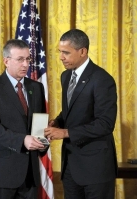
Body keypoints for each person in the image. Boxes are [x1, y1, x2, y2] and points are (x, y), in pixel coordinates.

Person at [44, 29, 117, 199]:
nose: (61, 57)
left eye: (66, 52)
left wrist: (65, 133)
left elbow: (105, 123)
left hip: (95, 168)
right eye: (60, 52)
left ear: (82, 51)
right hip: (71, 166)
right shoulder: (65, 76)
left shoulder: (102, 79)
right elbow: (73, 110)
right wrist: (58, 122)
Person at [0, 39, 48, 199]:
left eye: (27, 59)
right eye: (20, 59)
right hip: (0, 175)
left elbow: (39, 123)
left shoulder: (36, 88)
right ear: (6, 61)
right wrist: (22, 140)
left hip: (29, 177)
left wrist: (43, 140)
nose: (25, 64)